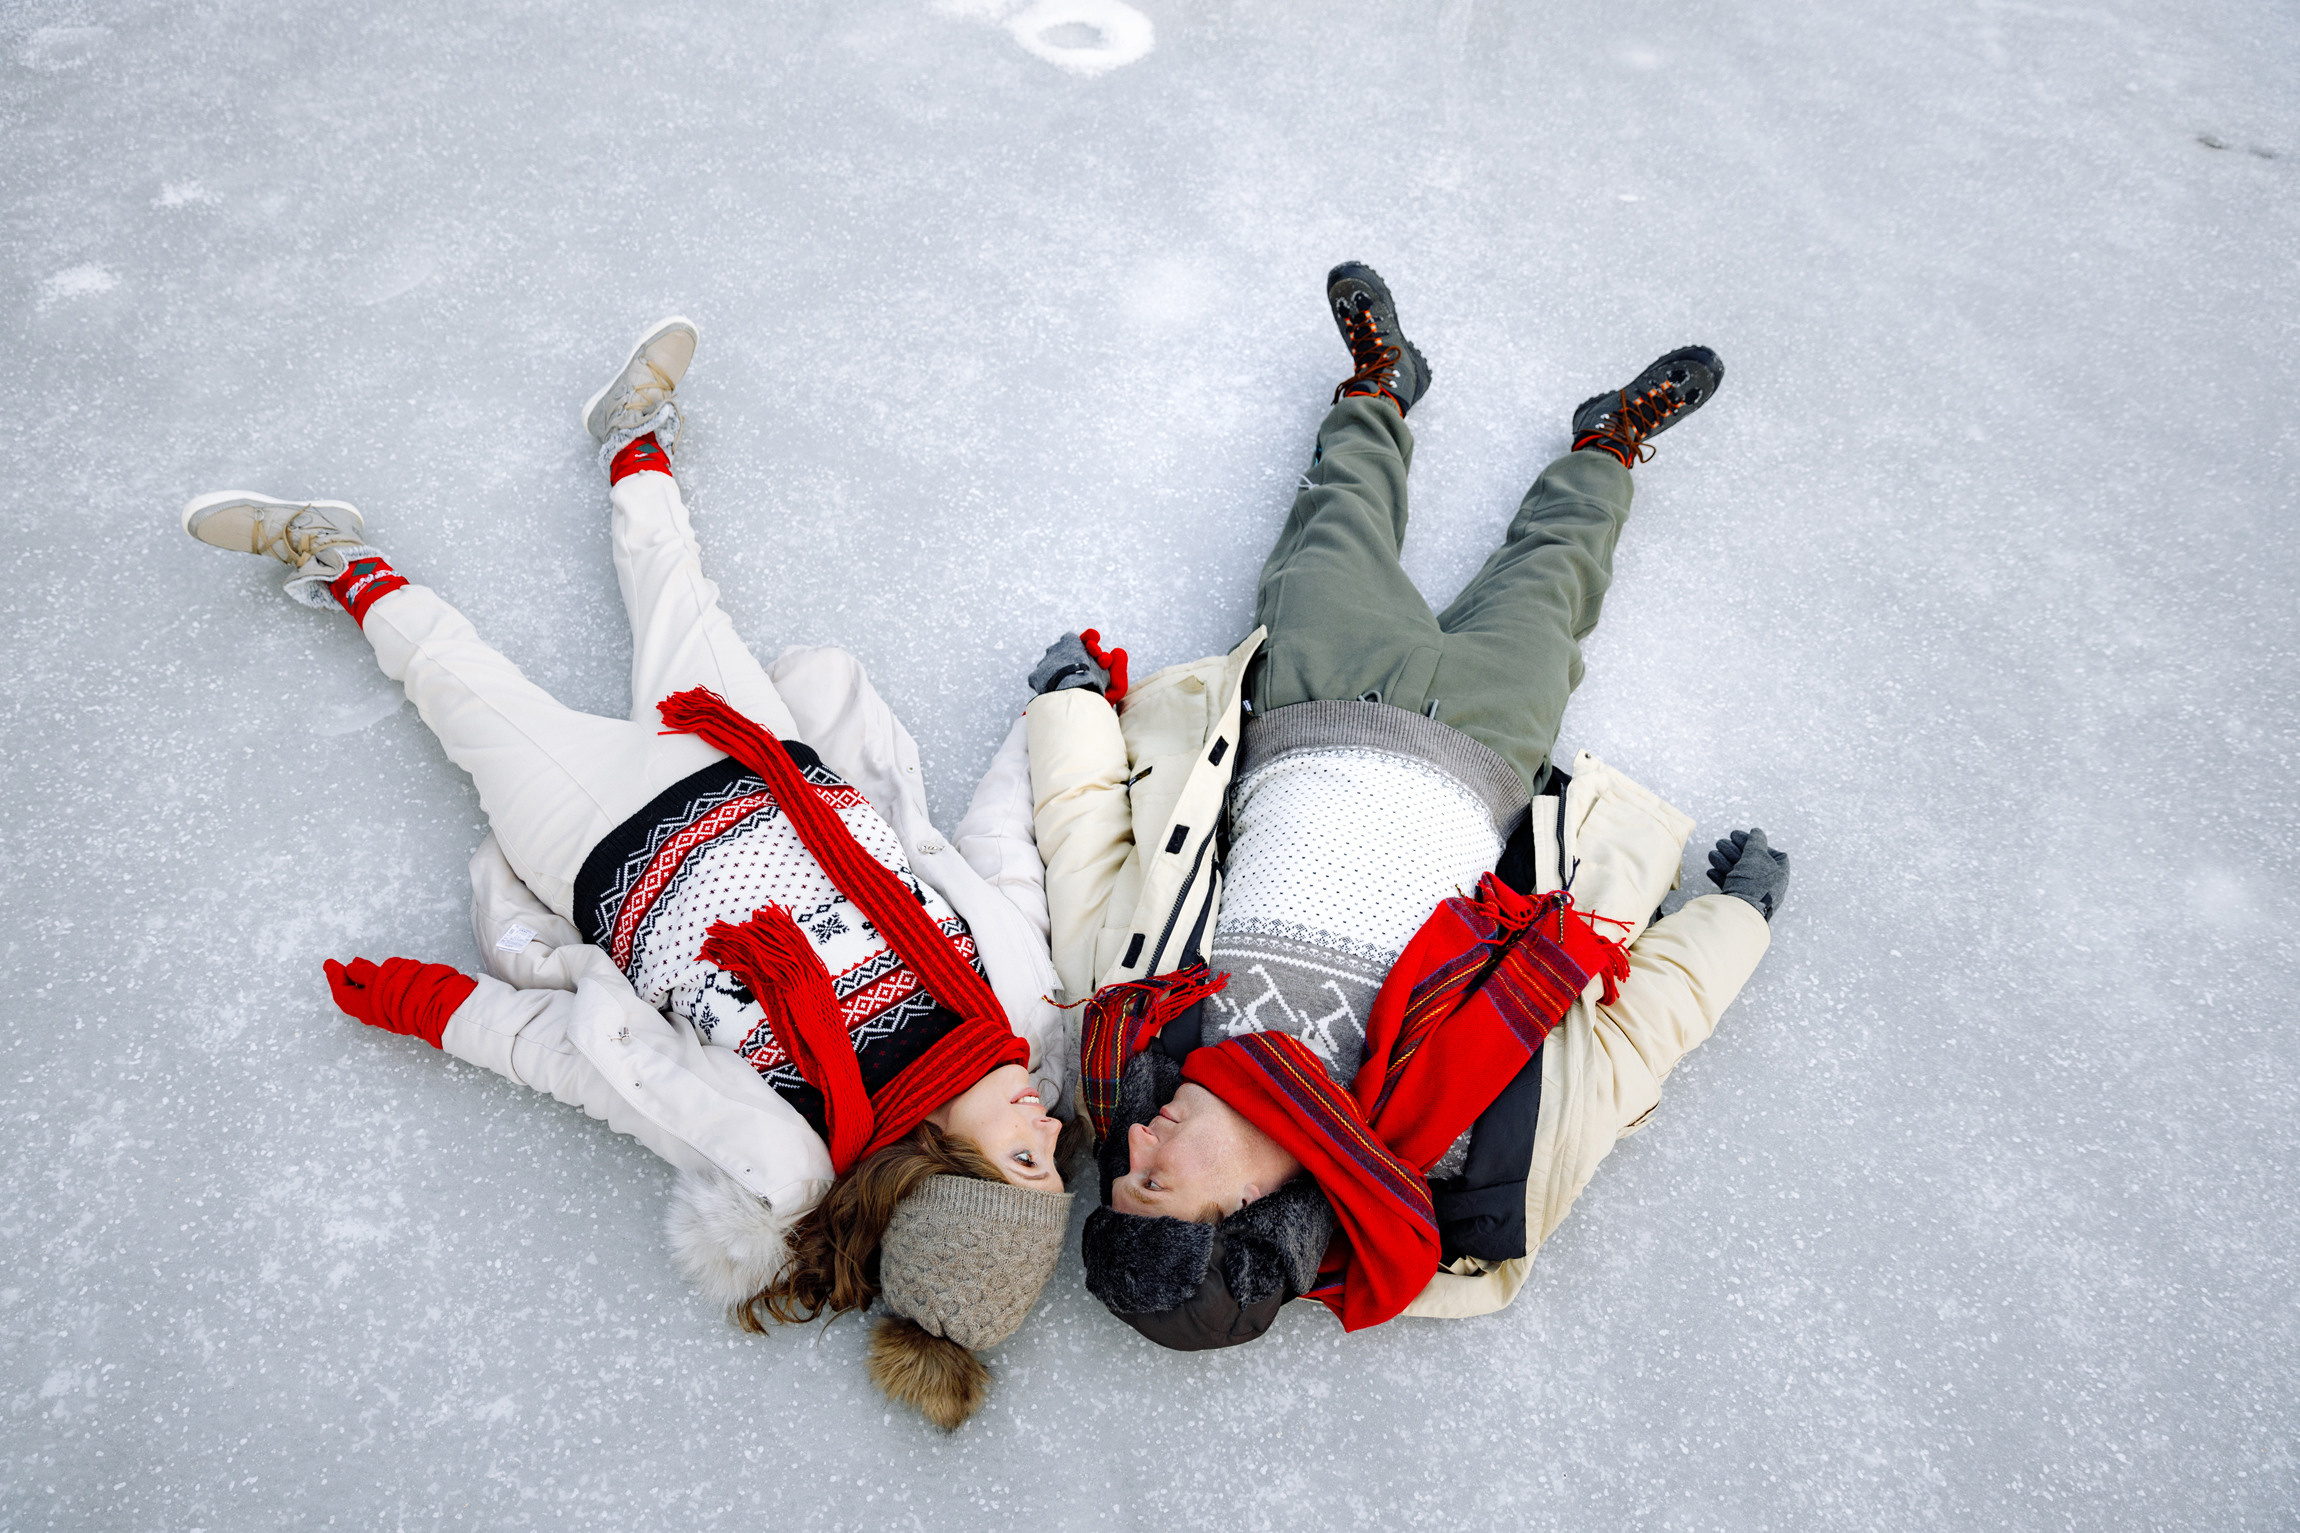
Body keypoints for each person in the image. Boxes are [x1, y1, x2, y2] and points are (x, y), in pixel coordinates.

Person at [180, 318, 1076, 1427]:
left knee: (459, 692)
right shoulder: (1016, 1010)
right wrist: (1063, 711)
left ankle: (338, 559)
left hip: (597, 839)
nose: (1047, 1121)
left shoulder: (785, 1149)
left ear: (944, 1175)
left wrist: (439, 1008)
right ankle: (633, 442)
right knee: (679, 595)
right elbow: (1001, 859)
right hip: (752, 759)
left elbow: (600, 1072)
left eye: (1027, 1159)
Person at [1025, 264, 1791, 1348]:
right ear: (1236, 1211)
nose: (1132, 1146)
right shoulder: (1442, 1155)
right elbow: (1626, 1054)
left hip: (1310, 697)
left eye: (1121, 1175)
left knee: (1331, 528)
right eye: (1152, 1182)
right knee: (1552, 582)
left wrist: (1069, 713)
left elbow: (1085, 861)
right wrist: (1737, 917)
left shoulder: (1142, 1043)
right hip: (1483, 746)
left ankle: (1380, 389)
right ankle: (1606, 447)